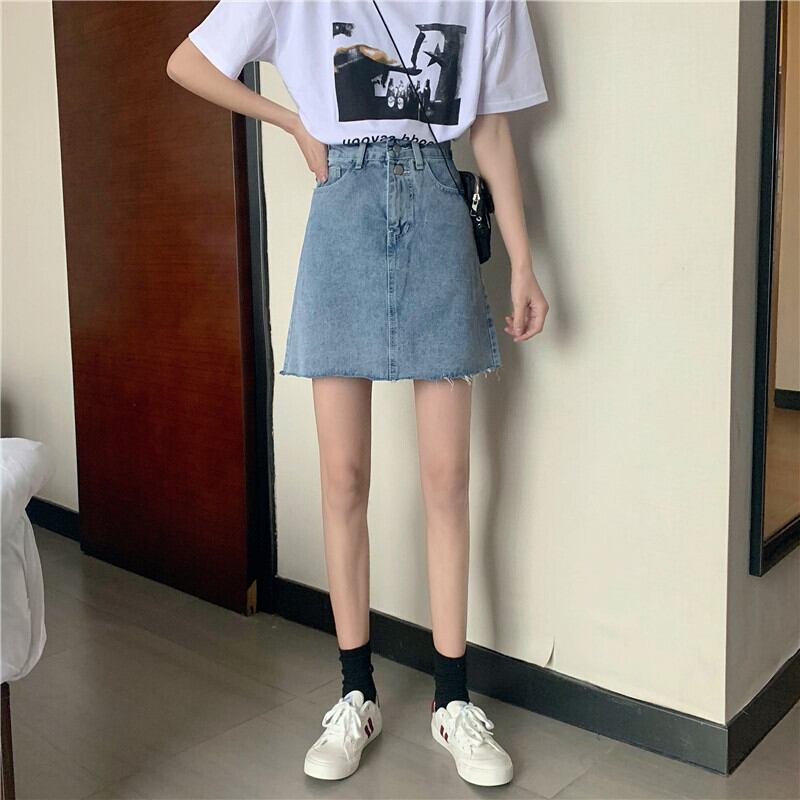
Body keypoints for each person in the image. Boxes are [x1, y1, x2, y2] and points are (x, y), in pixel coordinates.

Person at [167, 0, 549, 787]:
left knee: (449, 478)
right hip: (342, 207)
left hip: (439, 204)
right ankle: (356, 693)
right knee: (343, 478)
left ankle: (452, 700)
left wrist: (522, 261)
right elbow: (188, 63)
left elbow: (490, 129)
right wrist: (291, 121)